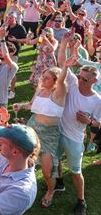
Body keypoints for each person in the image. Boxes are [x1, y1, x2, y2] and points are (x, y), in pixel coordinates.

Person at [13, 67, 66, 207]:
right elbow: (31, 105)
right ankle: (21, 185)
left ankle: (50, 192)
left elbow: (62, 80)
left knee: (47, 172)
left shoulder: (59, 94)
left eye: (47, 77)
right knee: (25, 160)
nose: (43, 79)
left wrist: (65, 66)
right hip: (33, 127)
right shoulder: (40, 89)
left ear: (55, 80)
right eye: (43, 76)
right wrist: (21, 105)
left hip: (49, 134)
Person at [55, 57, 101, 215]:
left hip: (74, 138)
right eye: (79, 76)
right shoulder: (73, 83)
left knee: (75, 171)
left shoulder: (97, 101)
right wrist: (66, 46)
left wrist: (88, 121)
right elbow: (61, 64)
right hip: (58, 130)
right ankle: (59, 182)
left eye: (85, 79)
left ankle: (81, 201)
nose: (80, 81)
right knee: (57, 159)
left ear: (94, 80)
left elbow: (98, 123)